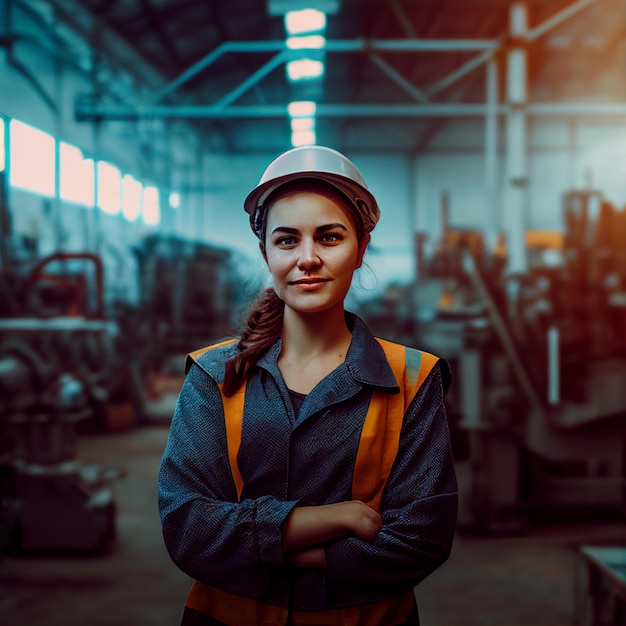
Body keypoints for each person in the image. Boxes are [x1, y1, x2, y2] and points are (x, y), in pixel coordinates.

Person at [158, 145, 458, 626]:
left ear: (360, 249)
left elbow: (422, 538)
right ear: (265, 253)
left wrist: (266, 547)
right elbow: (188, 529)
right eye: (286, 240)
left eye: (329, 237)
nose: (307, 258)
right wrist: (331, 518)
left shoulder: (412, 378)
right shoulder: (214, 375)